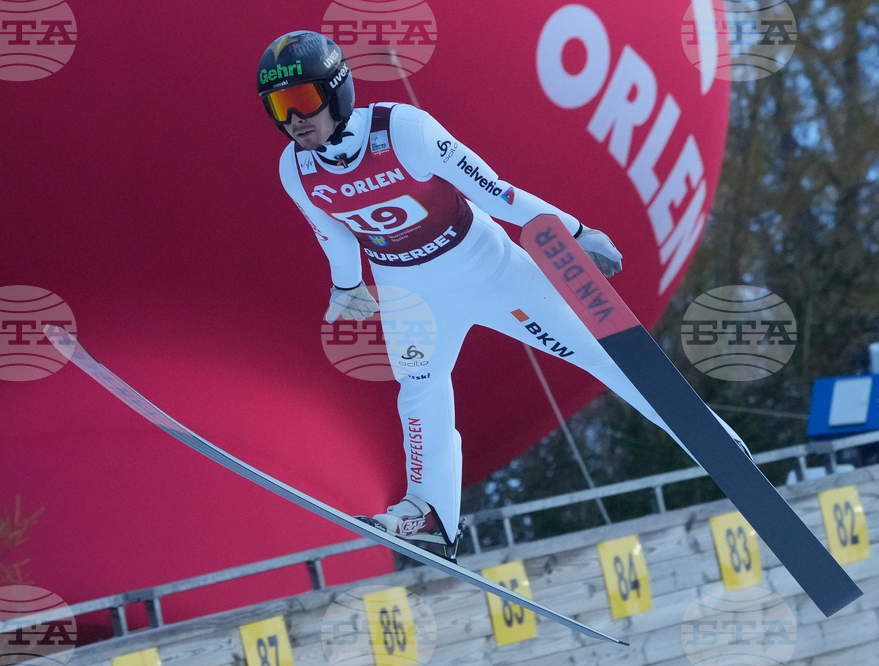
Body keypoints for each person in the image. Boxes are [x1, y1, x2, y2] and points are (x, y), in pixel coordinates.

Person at [257, 31, 749, 562]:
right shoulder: (295, 169)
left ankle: (711, 440)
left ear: (337, 92)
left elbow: (493, 190)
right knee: (419, 388)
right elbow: (330, 231)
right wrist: (347, 285)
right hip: (408, 290)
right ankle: (431, 513)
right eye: (279, 108)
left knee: (598, 353)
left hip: (487, 270)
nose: (293, 120)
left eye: (303, 101)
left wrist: (575, 230)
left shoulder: (403, 130)